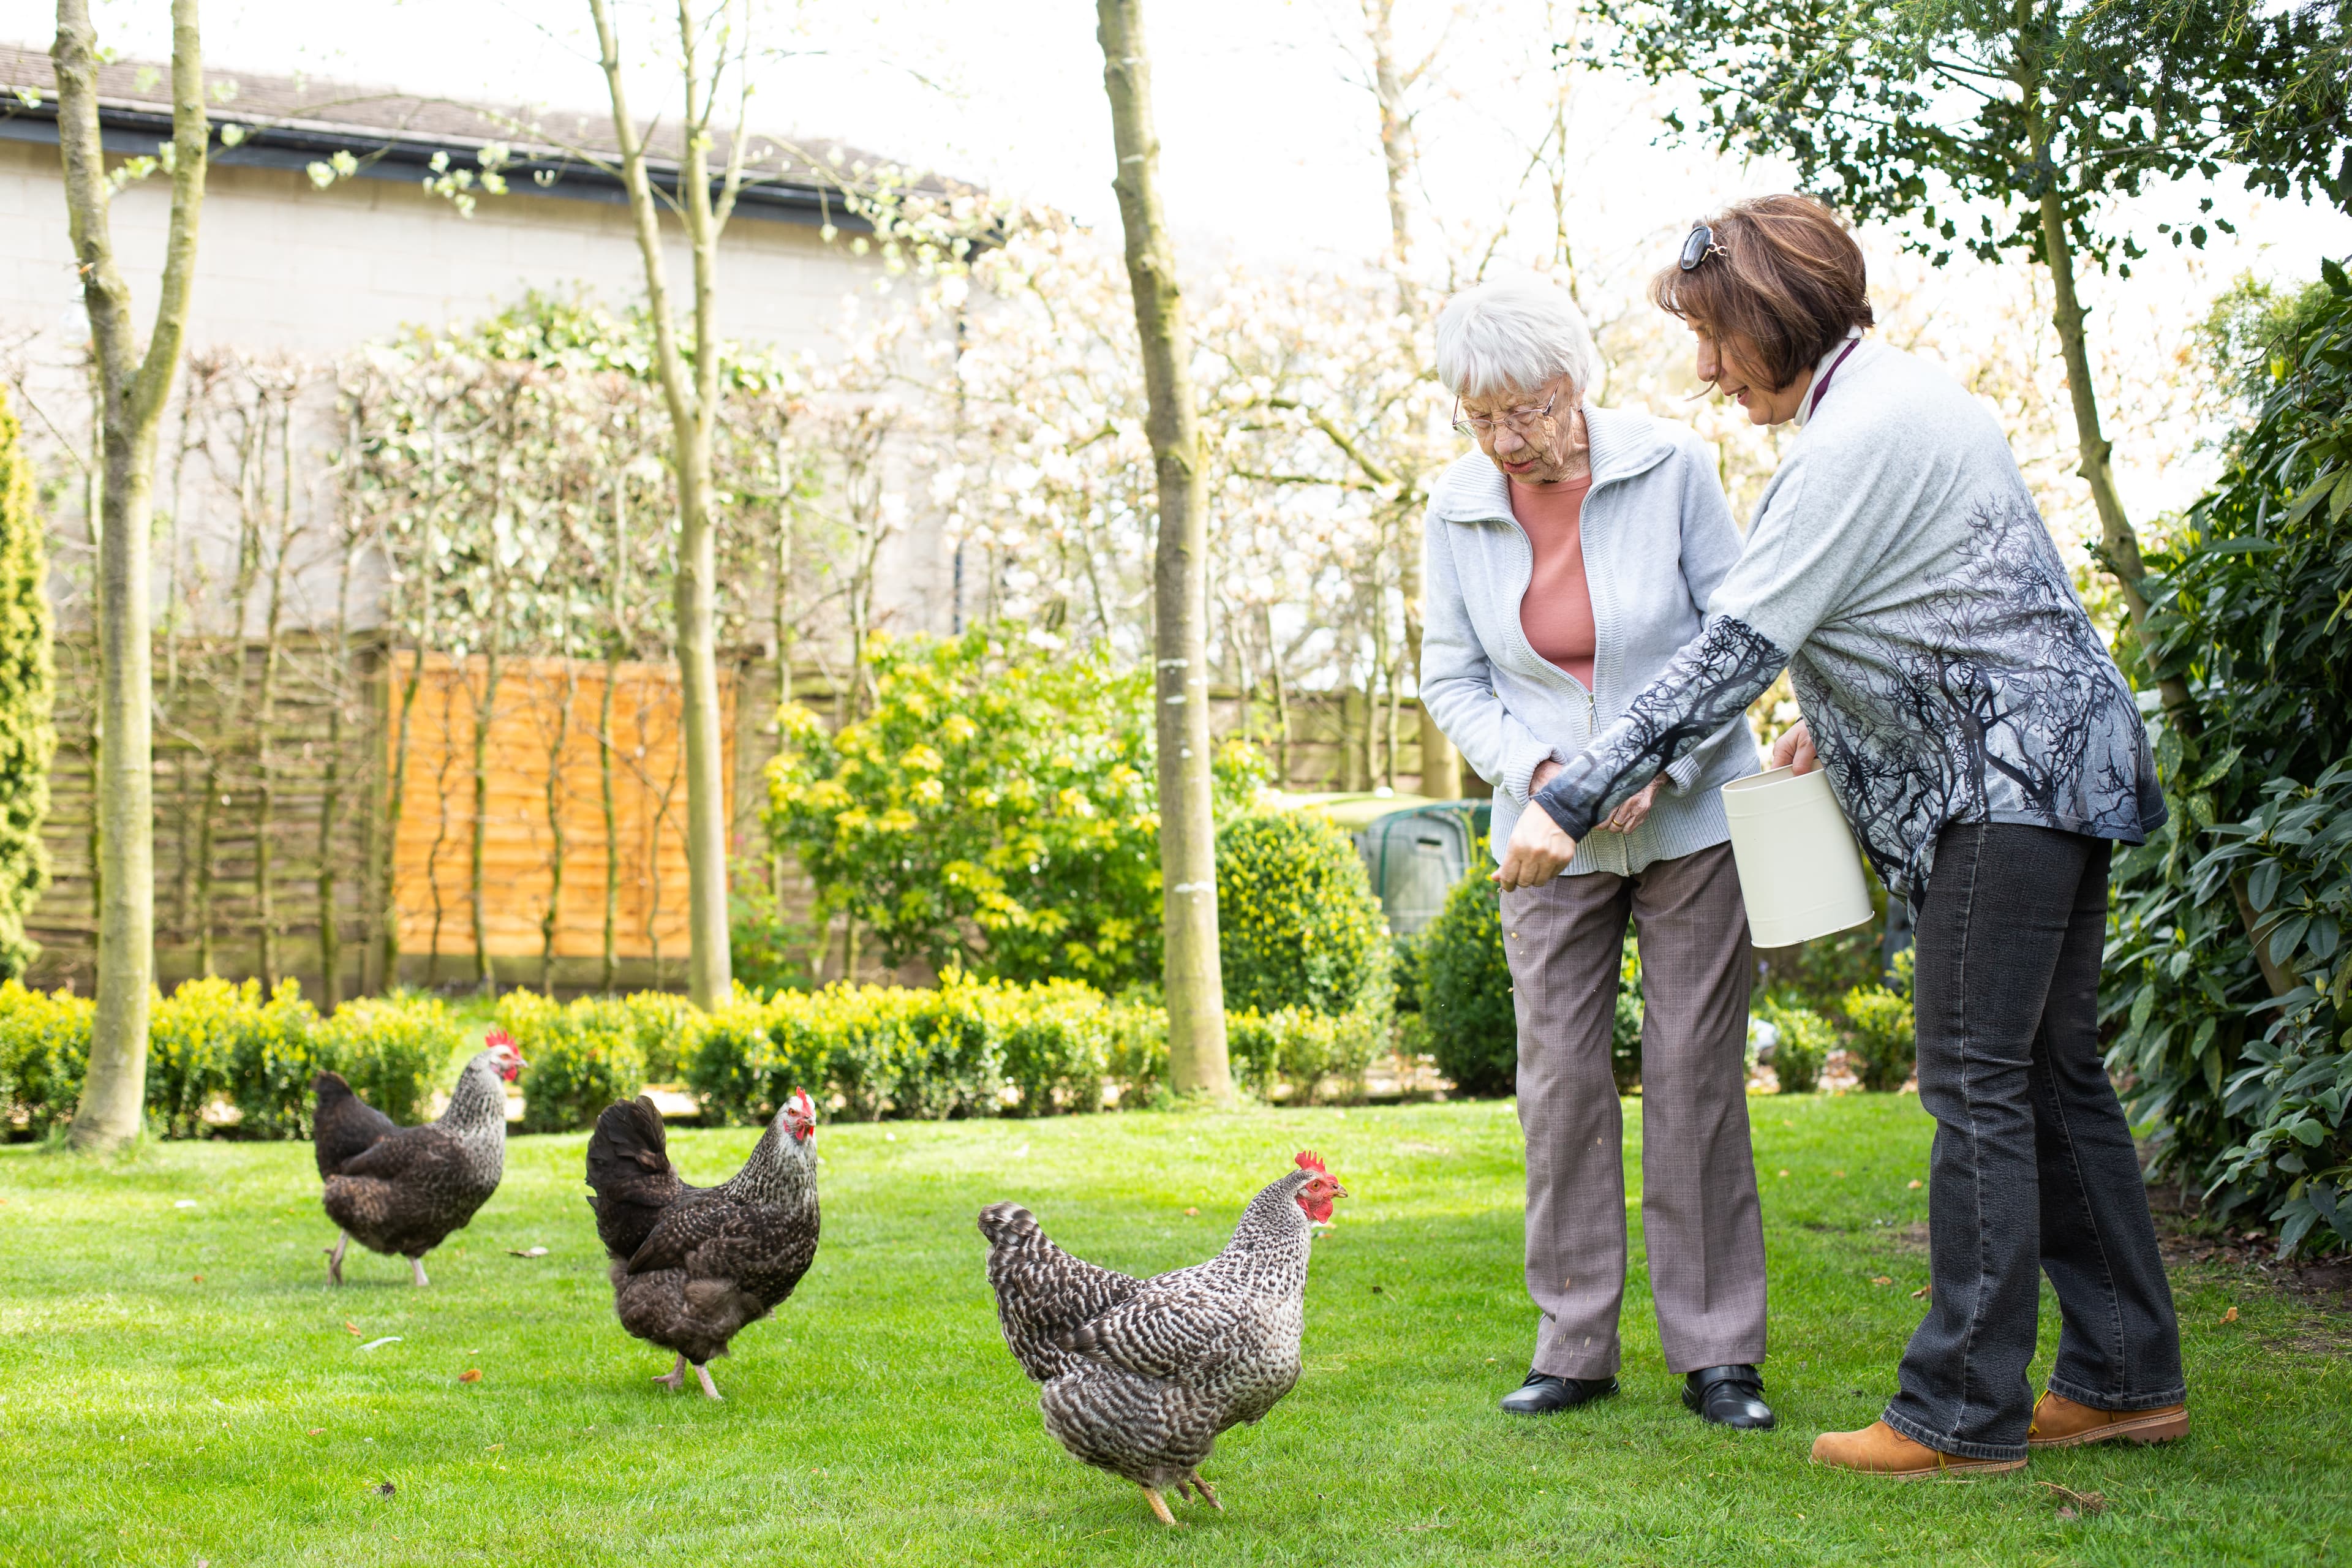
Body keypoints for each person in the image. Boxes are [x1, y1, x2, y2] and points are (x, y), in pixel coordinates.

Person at [1497, 196, 2186, 1477]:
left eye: (1712, 338)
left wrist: (1571, 794)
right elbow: (1947, 596)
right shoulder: (1908, 401)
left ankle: (1960, 1413)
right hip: (2060, 768)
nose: (1704, 371)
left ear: (1768, 319)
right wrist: (1832, 709)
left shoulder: (1849, 440)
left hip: (2005, 786)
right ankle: (2125, 1376)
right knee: (2050, 1077)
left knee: (1974, 1082)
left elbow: (1726, 653)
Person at [1420, 274, 1774, 1431]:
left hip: (1690, 820)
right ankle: (1573, 1347)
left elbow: (1739, 636)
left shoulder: (1669, 466)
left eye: (1525, 411)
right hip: (1546, 841)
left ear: (1574, 387)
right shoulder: (1456, 507)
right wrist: (1549, 782)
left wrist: (1661, 764)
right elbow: (1452, 680)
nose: (1506, 439)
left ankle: (1718, 1353)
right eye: (1482, 418)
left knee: (1692, 1079)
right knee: (1562, 1086)